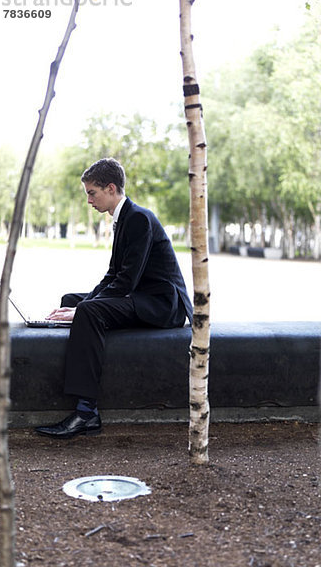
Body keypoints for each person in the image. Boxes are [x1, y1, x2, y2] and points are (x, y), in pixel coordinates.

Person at [35, 157, 193, 439]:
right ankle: (82, 350)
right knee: (72, 299)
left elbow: (125, 282)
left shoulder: (138, 218)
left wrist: (85, 309)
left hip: (162, 305)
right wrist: (79, 305)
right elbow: (113, 276)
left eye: (91, 193)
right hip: (141, 295)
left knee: (88, 312)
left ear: (110, 188)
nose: (89, 201)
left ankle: (86, 413)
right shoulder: (125, 218)